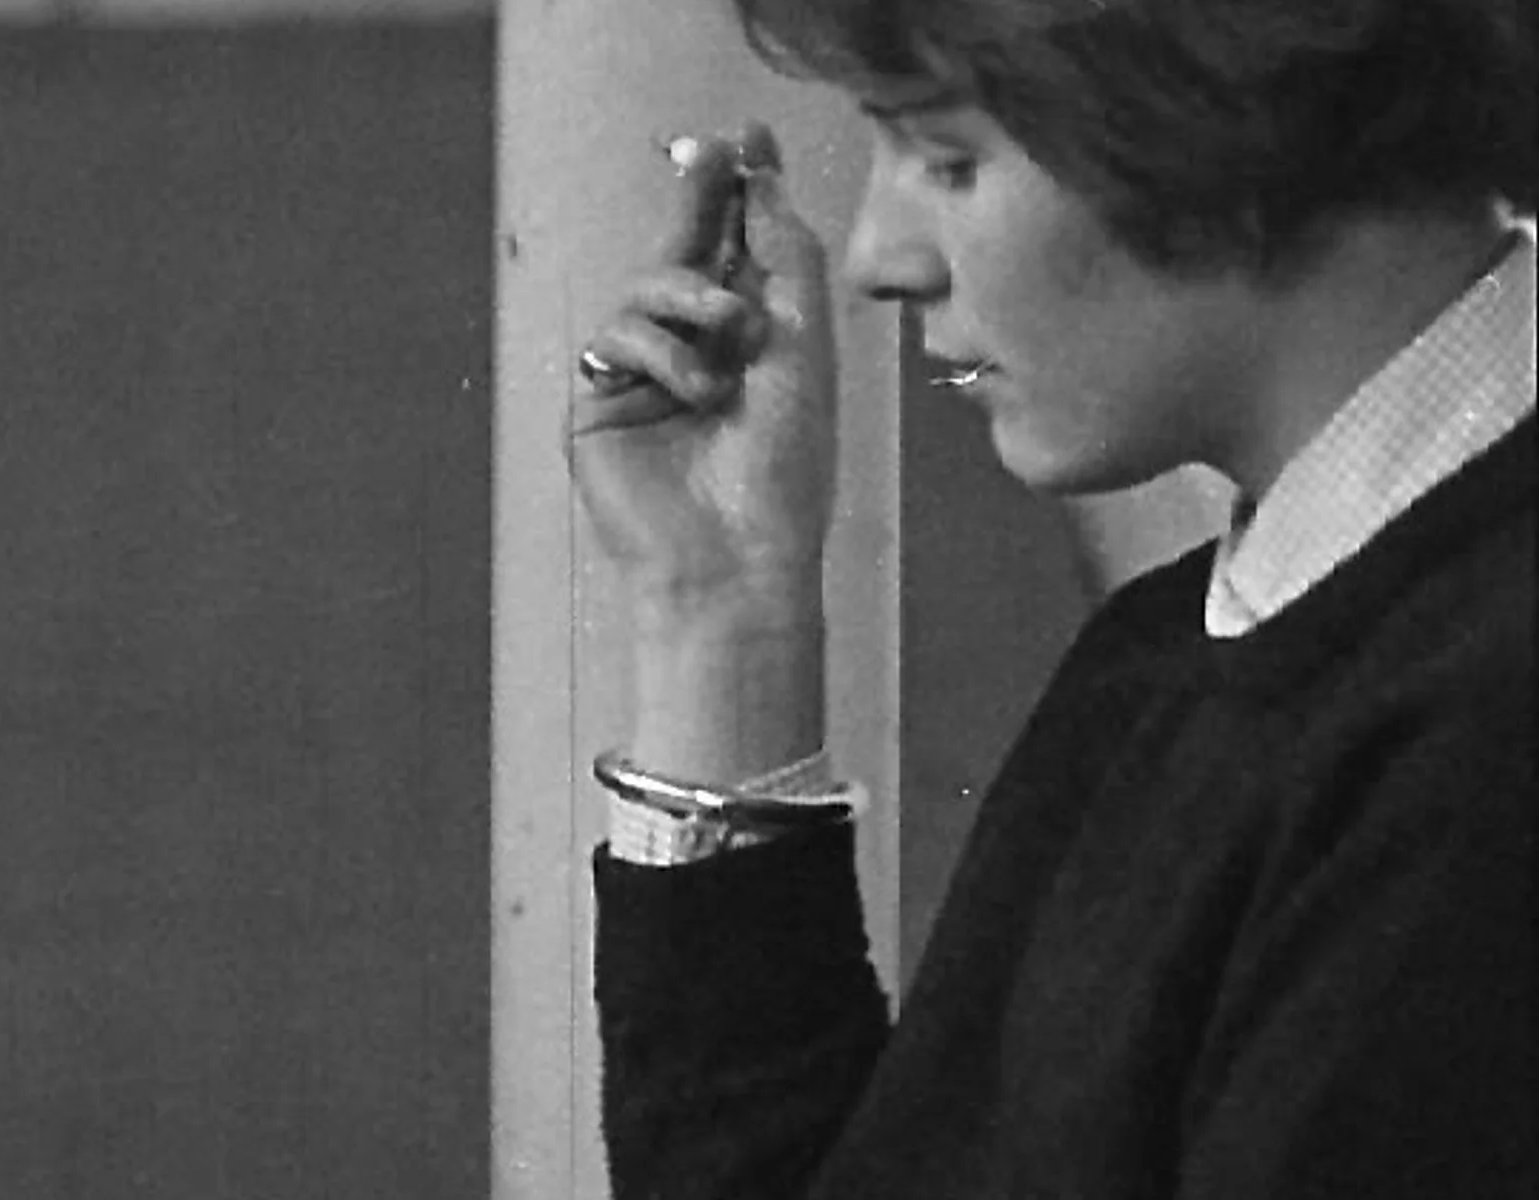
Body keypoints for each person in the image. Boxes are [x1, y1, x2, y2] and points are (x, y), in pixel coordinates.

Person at [567, 1, 1535, 1197]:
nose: (877, 258)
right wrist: (723, 612)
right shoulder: (1173, 655)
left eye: (947, 159)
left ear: (1226, 95)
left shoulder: (1488, 718)